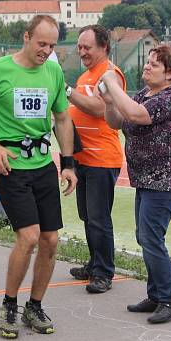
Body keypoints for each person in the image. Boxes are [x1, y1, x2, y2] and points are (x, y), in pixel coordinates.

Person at [0, 14, 77, 339]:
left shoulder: (53, 72)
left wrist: (68, 163)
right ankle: (9, 304)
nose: (46, 51)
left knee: (50, 240)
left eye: (52, 45)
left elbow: (62, 118)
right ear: (26, 37)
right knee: (28, 237)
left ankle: (35, 305)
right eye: (41, 43)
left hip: (43, 165)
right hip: (9, 166)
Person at [99, 44, 171, 324]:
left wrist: (113, 83)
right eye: (147, 62)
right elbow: (116, 122)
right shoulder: (144, 95)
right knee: (145, 237)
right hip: (146, 180)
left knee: (151, 238)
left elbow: (137, 115)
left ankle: (169, 299)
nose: (147, 67)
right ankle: (156, 294)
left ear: (170, 73)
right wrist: (110, 102)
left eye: (155, 65)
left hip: (166, 180)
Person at [67, 25, 126, 294]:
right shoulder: (84, 77)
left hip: (102, 158)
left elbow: (101, 110)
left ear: (104, 47)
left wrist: (68, 93)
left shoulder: (110, 75)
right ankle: (94, 264)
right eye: (79, 47)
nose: (82, 52)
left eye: (87, 47)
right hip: (83, 158)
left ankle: (104, 273)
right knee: (87, 216)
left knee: (99, 217)